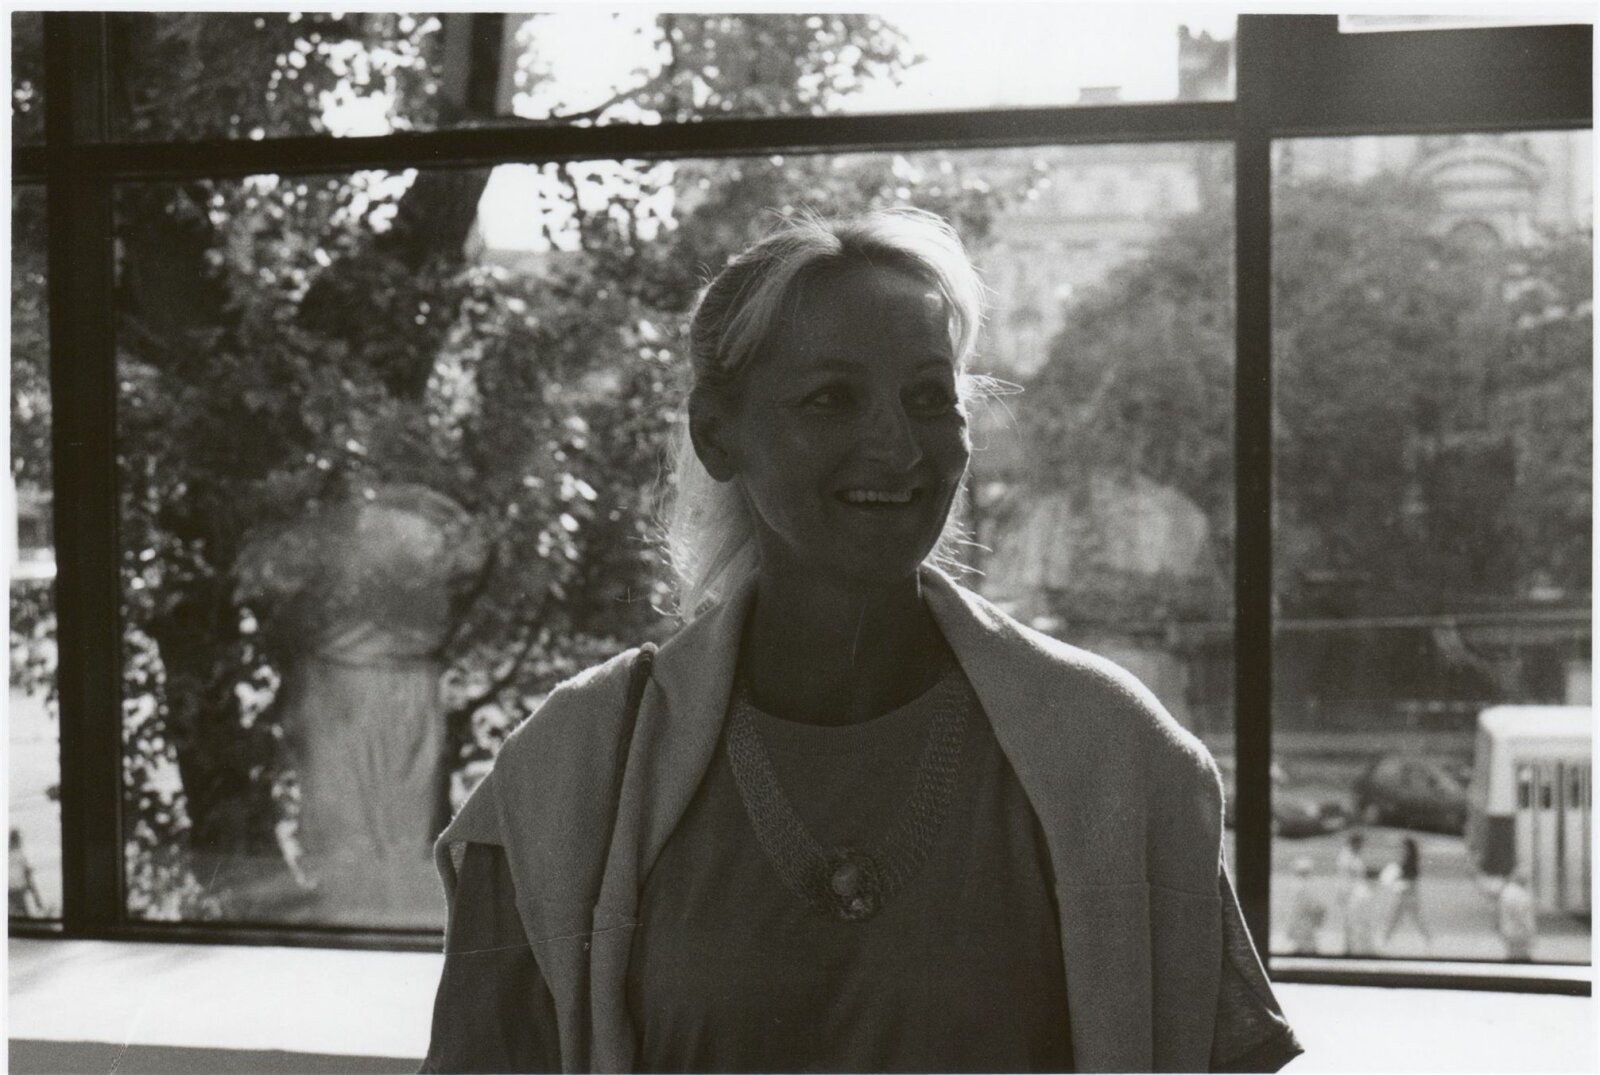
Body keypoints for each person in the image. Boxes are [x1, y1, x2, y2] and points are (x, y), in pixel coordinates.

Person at [420, 209, 1302, 1073]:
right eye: (832, 399)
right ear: (716, 434)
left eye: (929, 398)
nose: (897, 445)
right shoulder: (572, 773)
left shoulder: (1117, 754)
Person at [1382, 836, 1432, 948]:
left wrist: (1397, 880)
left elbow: (1410, 880)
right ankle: (1386, 939)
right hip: (1405, 894)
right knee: (1396, 918)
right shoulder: (1407, 862)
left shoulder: (1411, 863)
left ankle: (1427, 939)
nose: (1402, 850)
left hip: (1408, 894)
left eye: (1404, 848)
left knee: (1410, 918)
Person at [1283, 857, 1326, 955]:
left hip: (1300, 925)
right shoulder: (1306, 887)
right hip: (1306, 925)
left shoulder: (1295, 886)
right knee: (1308, 949)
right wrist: (1320, 916)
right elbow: (1316, 907)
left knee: (1302, 948)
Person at [1497, 870, 1536, 962]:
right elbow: (1522, 915)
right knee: (1522, 957)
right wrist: (1529, 931)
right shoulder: (1521, 894)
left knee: (1512, 954)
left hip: (1507, 930)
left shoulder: (1506, 891)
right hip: (1520, 932)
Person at [8, 828, 46, 917]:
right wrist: (38, 901)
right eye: (20, 840)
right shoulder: (20, 856)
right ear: (18, 841)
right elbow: (29, 879)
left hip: (11, 891)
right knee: (24, 917)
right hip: (17, 891)